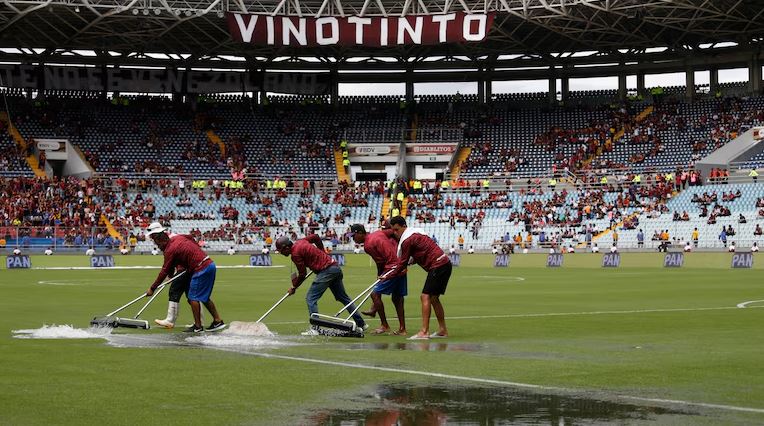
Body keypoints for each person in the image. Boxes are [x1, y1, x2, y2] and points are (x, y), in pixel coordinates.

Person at [275, 234, 367, 335]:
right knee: (343, 298)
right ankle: (361, 324)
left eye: (281, 251)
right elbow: (315, 237)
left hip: (326, 271)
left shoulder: (295, 254)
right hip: (335, 268)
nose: (281, 253)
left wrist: (294, 287)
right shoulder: (302, 241)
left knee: (311, 298)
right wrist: (322, 251)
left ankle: (315, 328)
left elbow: (302, 274)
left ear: (286, 248)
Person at [145, 223, 225, 333]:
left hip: (200, 268)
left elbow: (164, 269)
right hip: (208, 263)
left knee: (193, 298)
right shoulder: (178, 238)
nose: (156, 244)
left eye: (154, 240)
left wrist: (152, 288)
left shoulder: (170, 249)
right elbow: (190, 238)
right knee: (204, 297)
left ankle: (198, 327)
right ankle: (218, 321)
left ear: (159, 238)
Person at [386, 216, 451, 340]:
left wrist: (387, 276)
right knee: (434, 298)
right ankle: (442, 330)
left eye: (396, 229)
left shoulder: (407, 240)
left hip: (437, 265)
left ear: (404, 226)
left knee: (425, 296)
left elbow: (402, 263)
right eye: (393, 231)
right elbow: (420, 253)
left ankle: (424, 332)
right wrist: (412, 261)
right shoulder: (417, 232)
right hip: (445, 263)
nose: (395, 233)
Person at [350, 224, 407, 335]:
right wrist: (398, 246)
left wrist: (380, 274)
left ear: (361, 233)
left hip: (392, 267)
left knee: (375, 294)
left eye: (354, 235)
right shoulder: (378, 233)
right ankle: (402, 329)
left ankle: (384, 325)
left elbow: (379, 262)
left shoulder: (368, 245)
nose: (353, 238)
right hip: (400, 265)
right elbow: (393, 232)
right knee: (397, 298)